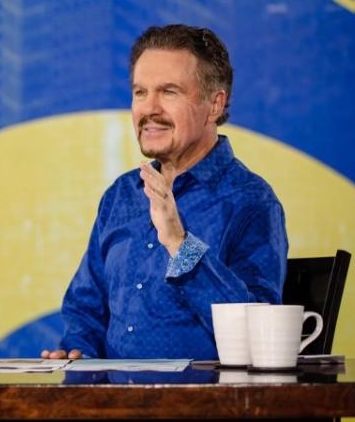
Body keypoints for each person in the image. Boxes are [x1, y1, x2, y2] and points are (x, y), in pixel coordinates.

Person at [43, 24, 287, 360]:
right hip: (113, 407)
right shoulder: (122, 195)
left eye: (169, 92)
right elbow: (86, 310)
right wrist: (78, 352)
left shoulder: (250, 201)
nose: (149, 109)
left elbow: (256, 341)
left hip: (202, 409)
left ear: (214, 105)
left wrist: (179, 244)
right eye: (140, 92)